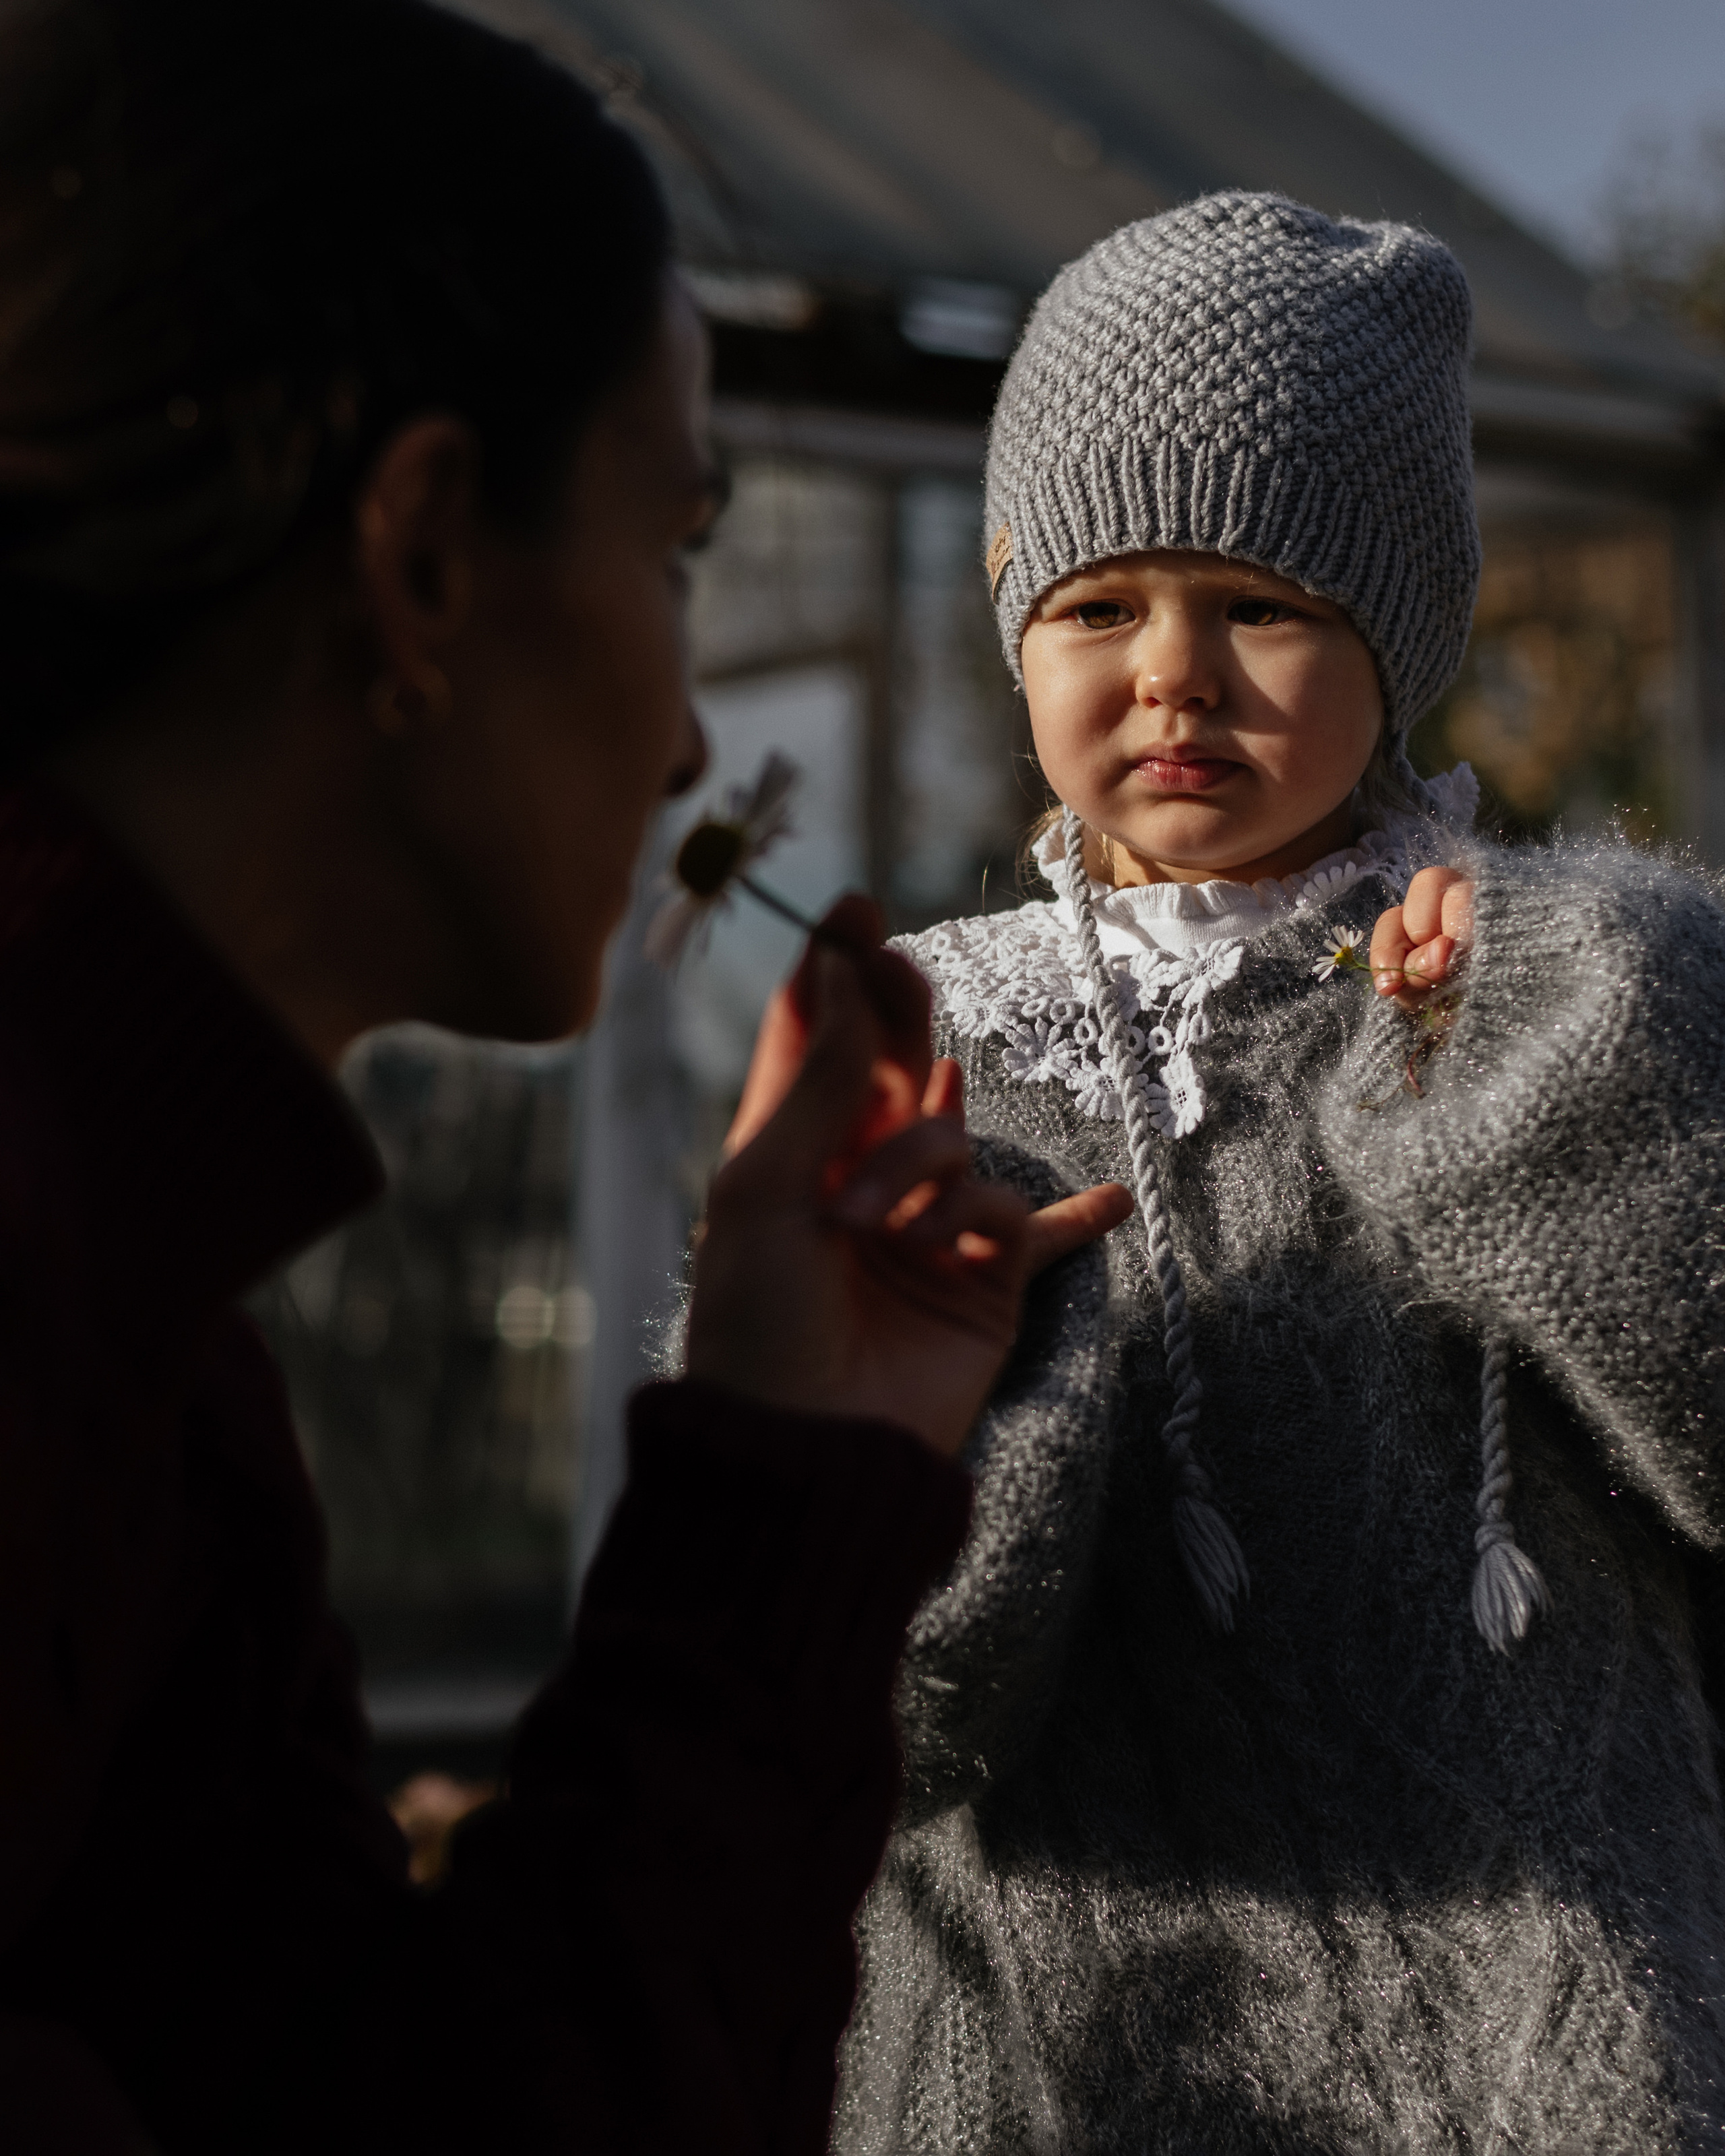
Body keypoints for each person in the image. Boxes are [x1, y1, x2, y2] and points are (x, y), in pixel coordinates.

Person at [0, 2, 1129, 2149]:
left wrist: (793, 1450)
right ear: (425, 552)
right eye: (676, 544)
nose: (697, 740)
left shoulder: (156, 1359)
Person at [835, 192, 1725, 2154]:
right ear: (1007, 610)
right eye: (1096, 606)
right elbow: (847, 1700)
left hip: (1551, 2043)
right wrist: (969, 1378)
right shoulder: (919, 1044)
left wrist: (1577, 1064)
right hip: (1059, 2054)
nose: (1173, 674)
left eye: (1261, 604)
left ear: (1400, 633)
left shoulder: (1552, 980)